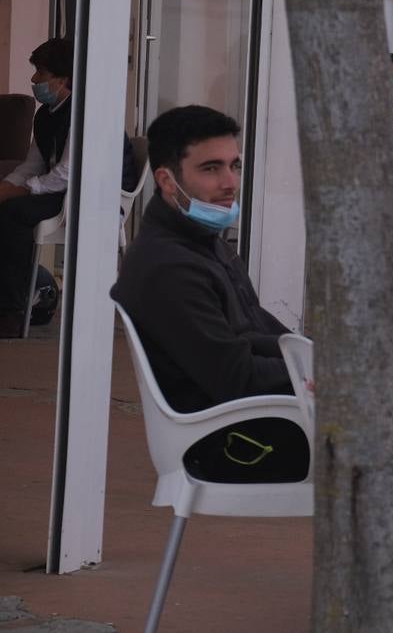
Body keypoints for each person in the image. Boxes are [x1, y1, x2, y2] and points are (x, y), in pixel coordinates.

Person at [110, 105, 308, 483]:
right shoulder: (169, 267)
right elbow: (236, 376)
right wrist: (317, 377)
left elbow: (252, 334)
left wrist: (317, 359)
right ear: (167, 181)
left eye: (234, 166)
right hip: (234, 445)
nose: (230, 182)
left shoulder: (200, 242)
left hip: (259, 425)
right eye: (211, 168)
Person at [0, 39, 135, 337]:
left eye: (42, 73)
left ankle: (12, 311)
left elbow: (67, 173)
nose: (34, 80)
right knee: (6, 204)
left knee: (12, 214)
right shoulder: (46, 114)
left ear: (64, 79)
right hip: (64, 191)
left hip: (94, 197)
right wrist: (7, 185)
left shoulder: (86, 113)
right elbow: (33, 164)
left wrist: (20, 192)